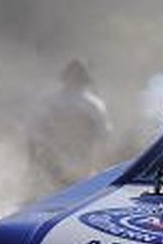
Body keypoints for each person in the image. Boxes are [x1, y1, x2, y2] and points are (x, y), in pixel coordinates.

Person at [29, 59, 112, 193]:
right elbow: (103, 135)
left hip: (54, 160)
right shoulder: (94, 104)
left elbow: (35, 132)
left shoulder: (49, 101)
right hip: (80, 161)